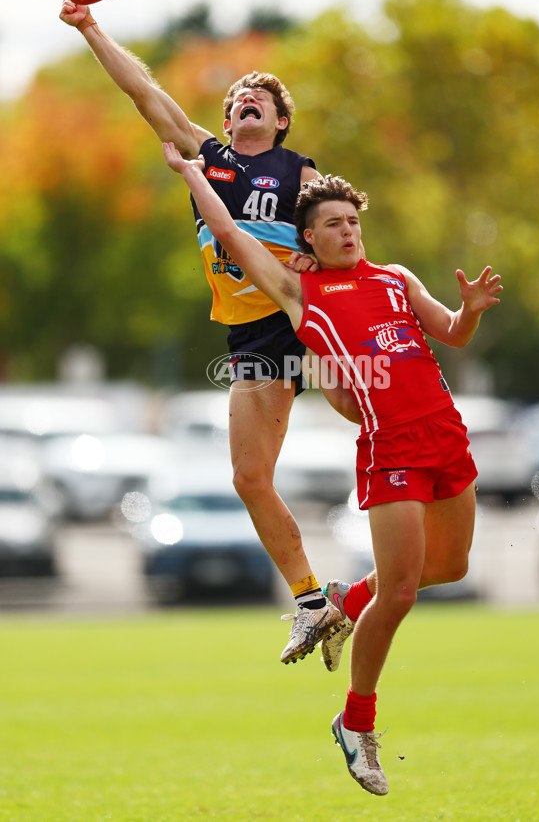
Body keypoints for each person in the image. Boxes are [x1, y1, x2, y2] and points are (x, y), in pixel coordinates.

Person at [161, 141, 502, 796]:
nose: (348, 231)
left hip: (446, 438)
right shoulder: (301, 292)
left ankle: (347, 600)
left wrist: (470, 312)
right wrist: (193, 176)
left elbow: (451, 334)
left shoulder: (395, 278)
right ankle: (357, 723)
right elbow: (230, 232)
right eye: (335, 224)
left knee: (451, 567)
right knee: (400, 592)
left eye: (354, 221)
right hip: (390, 448)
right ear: (309, 239)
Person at [59, 0, 348, 664]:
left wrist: (322, 256)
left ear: (279, 122)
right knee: (250, 478)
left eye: (261, 98)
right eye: (238, 97)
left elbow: (345, 230)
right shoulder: (206, 157)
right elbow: (143, 91)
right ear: (225, 121)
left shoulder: (299, 171)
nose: (248, 99)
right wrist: (89, 27)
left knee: (361, 409)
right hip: (250, 337)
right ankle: (314, 601)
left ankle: (426, 485)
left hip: (301, 313)